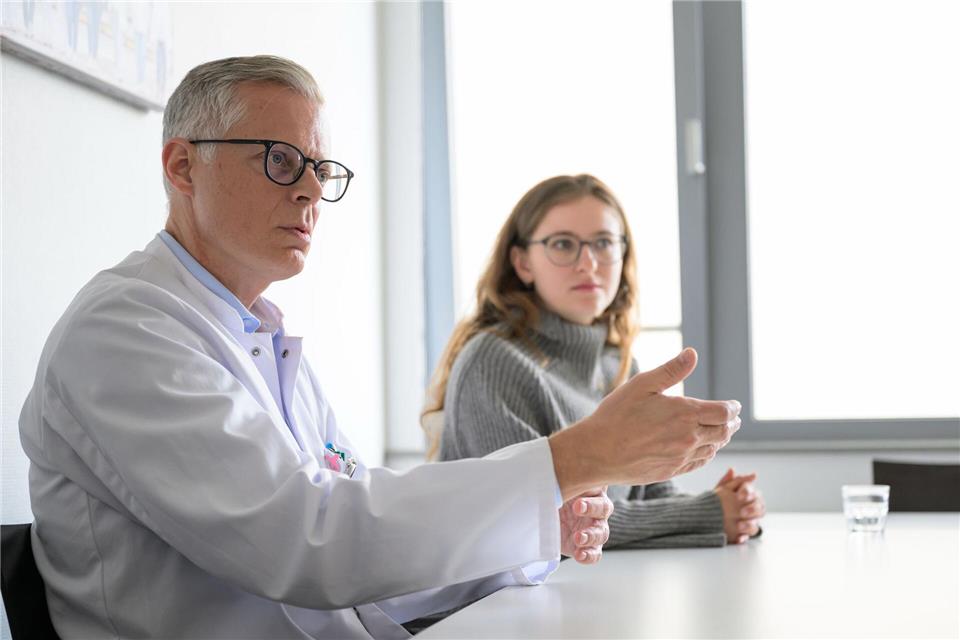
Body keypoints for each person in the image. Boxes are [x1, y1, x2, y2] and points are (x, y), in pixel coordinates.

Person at [18, 56, 741, 639]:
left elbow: (364, 541)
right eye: (278, 159)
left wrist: (532, 535)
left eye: (319, 168)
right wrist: (571, 460)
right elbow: (308, 542)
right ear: (182, 167)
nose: (308, 190)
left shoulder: (260, 337)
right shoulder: (125, 331)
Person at [425, 174, 764, 548]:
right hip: (500, 603)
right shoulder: (493, 362)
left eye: (603, 243)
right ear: (522, 263)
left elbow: (654, 497)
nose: (588, 263)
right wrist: (709, 513)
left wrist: (733, 508)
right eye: (563, 244)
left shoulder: (618, 364)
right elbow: (547, 523)